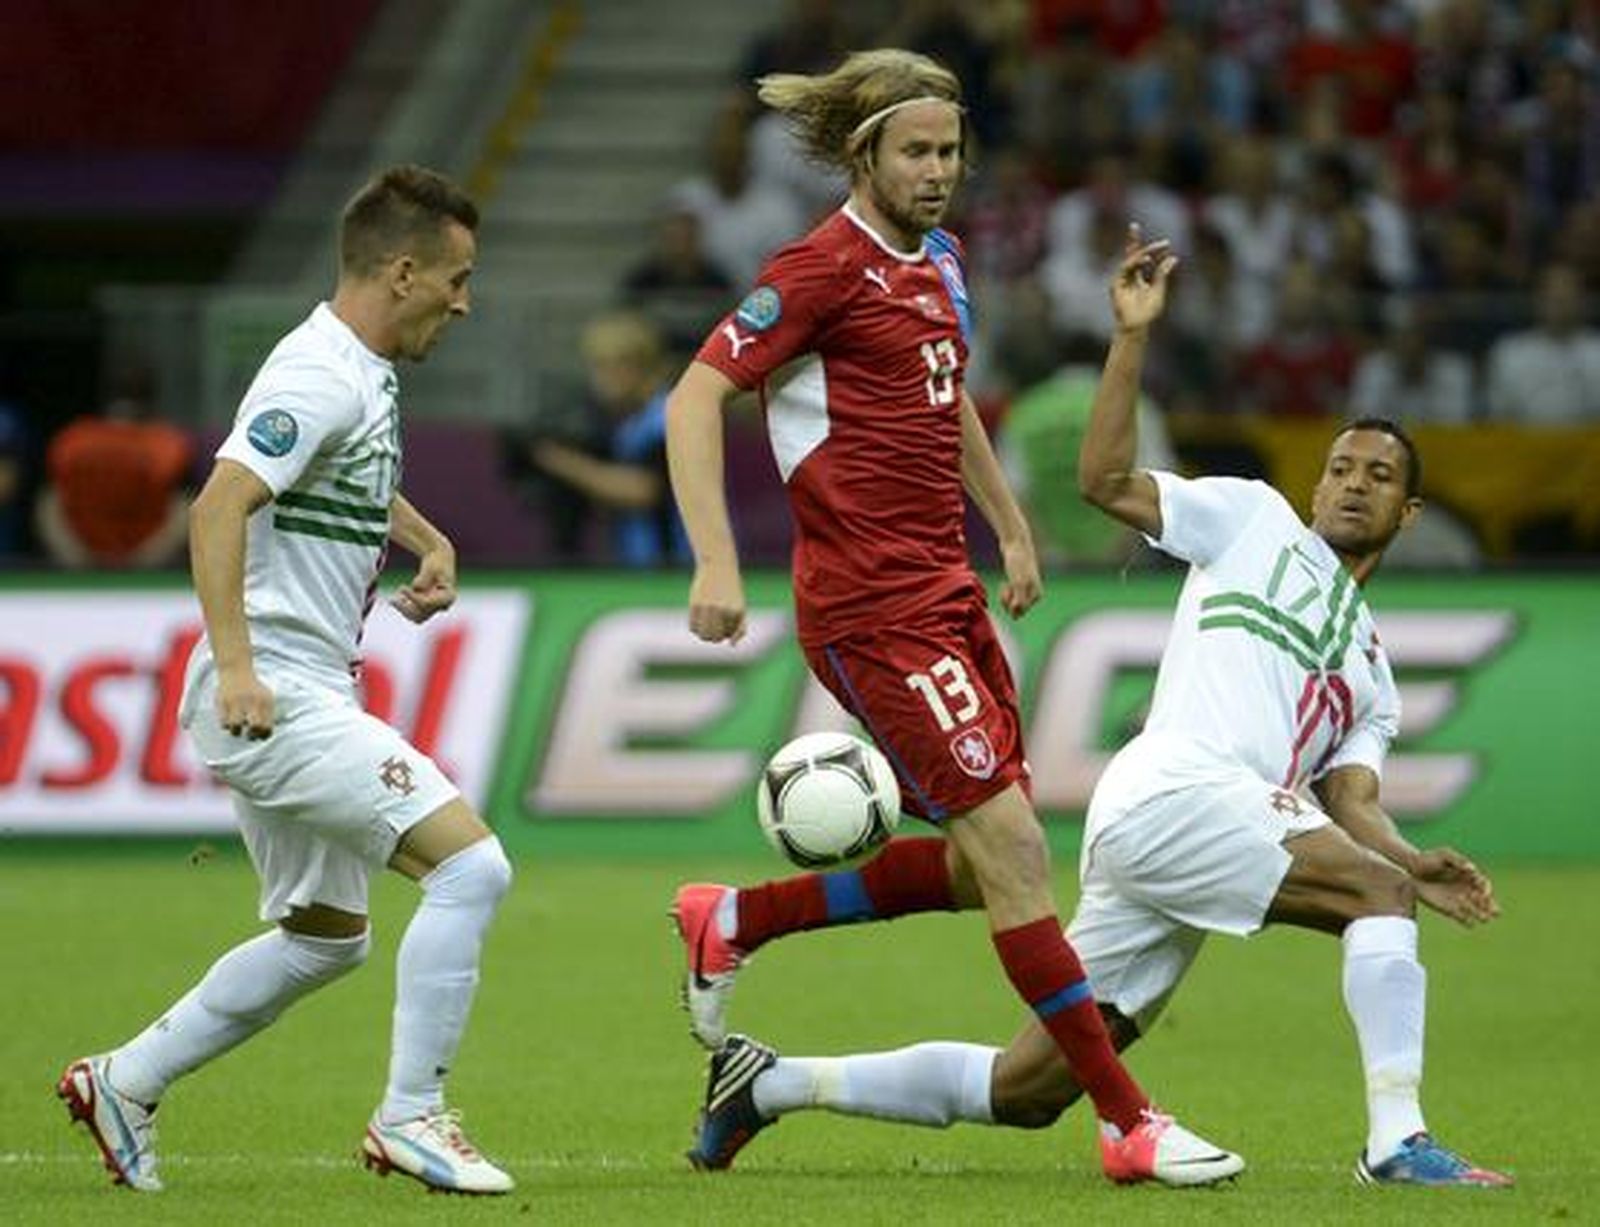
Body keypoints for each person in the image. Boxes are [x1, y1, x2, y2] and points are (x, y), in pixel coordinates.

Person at [689, 229, 1514, 1190]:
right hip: (1181, 788)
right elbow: (1105, 483)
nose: (1352, 484)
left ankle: (769, 1086)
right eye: (1340, 466)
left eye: (1378, 476)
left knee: (1030, 1086)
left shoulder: (1372, 673)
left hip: (1208, 829)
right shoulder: (1253, 520)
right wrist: (1131, 340)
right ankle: (1396, 1143)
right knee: (1378, 901)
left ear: (1407, 513)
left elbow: (1353, 799)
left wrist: (1410, 856)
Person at [664, 49, 1241, 1188]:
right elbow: (694, 396)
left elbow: (946, 398)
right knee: (1021, 854)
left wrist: (1011, 525)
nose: (937, 172)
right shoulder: (817, 270)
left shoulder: (941, 262)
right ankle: (1128, 1121)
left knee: (985, 872)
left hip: (949, 593)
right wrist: (715, 562)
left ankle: (734, 917)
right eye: (915, 152)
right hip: (869, 609)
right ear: (862, 155)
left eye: (949, 152)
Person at [56, 165, 515, 1196]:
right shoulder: (317, 373)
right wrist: (236, 666)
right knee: (472, 870)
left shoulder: (359, 371)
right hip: (277, 692)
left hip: (306, 689)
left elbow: (342, 472)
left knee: (325, 940)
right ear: (403, 271)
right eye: (457, 277)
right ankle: (411, 1117)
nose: (465, 300)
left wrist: (424, 536)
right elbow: (218, 506)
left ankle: (124, 1081)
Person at [524, 311, 690, 567]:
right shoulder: (624, 422)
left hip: (676, 567)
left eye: (612, 365)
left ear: (642, 365)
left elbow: (644, 490)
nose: (602, 377)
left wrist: (556, 459)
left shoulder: (669, 418)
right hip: (636, 565)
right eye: (596, 366)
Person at [35, 363, 194, 569]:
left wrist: (76, 558)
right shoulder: (170, 445)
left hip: (79, 573)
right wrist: (142, 562)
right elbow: (184, 513)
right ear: (152, 396)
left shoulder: (71, 440)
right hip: (148, 577)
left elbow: (49, 507)